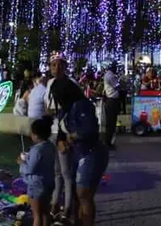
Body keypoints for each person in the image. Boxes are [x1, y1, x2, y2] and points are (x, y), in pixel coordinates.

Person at [55, 77, 110, 226]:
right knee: (76, 196)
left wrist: (72, 136)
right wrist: (60, 141)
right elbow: (60, 131)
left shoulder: (83, 106)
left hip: (91, 152)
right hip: (76, 154)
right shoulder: (64, 110)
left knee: (84, 194)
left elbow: (89, 130)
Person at [48, 55, 83, 223]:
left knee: (67, 173)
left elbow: (71, 112)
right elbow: (55, 109)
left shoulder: (70, 86)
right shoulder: (52, 84)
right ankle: (55, 204)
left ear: (64, 67)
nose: (56, 68)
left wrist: (64, 137)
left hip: (67, 132)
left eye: (59, 65)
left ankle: (68, 209)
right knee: (56, 172)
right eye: (53, 65)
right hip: (55, 131)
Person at [19, 118, 57, 226]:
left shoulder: (37, 150)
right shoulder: (50, 146)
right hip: (48, 183)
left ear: (35, 134)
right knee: (45, 213)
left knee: (37, 215)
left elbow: (30, 169)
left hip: (36, 185)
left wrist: (21, 162)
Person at [102, 62, 121, 150]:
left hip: (111, 100)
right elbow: (117, 86)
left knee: (111, 122)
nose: (116, 69)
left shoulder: (109, 75)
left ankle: (108, 142)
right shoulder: (110, 76)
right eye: (115, 67)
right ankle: (107, 142)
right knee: (111, 123)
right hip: (111, 100)